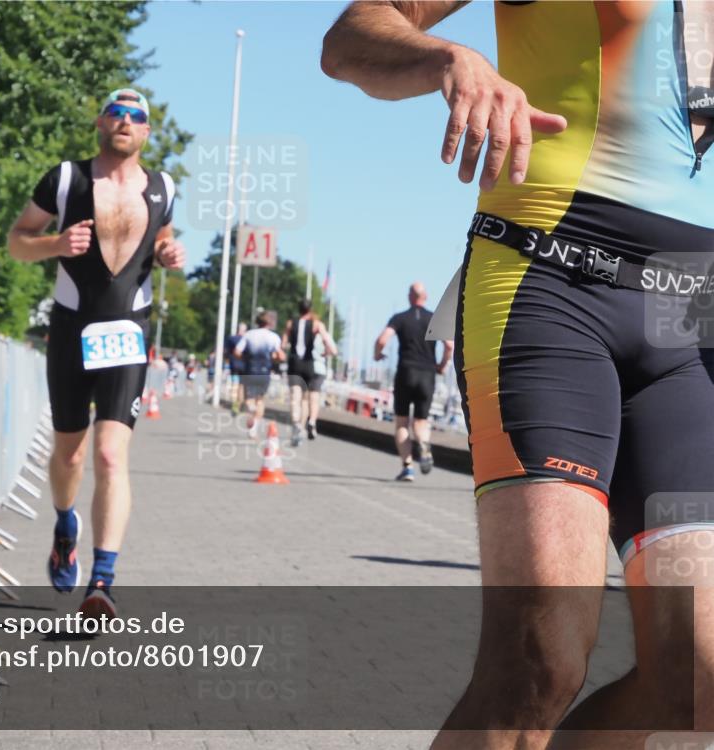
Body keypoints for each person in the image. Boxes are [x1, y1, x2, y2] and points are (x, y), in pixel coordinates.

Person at [323, 2, 713, 748]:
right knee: (539, 662)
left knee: (697, 680)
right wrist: (449, 59)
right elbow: (350, 38)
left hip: (690, 321)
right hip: (549, 285)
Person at [7, 87, 185, 620]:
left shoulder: (163, 188)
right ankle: (65, 525)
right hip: (71, 327)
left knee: (110, 454)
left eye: (136, 116)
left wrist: (168, 252)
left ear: (146, 131)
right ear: (100, 122)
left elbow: (162, 240)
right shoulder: (66, 179)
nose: (125, 121)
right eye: (116, 113)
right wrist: (54, 245)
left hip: (127, 331)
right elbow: (17, 241)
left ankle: (102, 581)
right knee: (70, 455)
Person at [373, 283, 453, 481]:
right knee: (421, 421)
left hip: (406, 372)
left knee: (402, 422)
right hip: (427, 374)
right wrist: (442, 365)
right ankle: (424, 446)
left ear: (410, 296)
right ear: (425, 297)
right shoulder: (434, 318)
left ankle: (407, 467)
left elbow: (382, 339)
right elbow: (449, 346)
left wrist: (377, 354)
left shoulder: (400, 318)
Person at [283, 298, 339, 446]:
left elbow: (283, 344)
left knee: (295, 397)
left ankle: (296, 423)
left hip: (294, 362)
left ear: (299, 309)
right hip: (309, 363)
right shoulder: (316, 324)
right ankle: (309, 423)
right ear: (310, 309)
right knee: (307, 399)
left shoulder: (291, 323)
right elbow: (329, 344)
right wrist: (327, 351)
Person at [233, 311, 285, 439]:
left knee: (249, 400)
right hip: (265, 372)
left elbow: (237, 352)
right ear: (269, 323)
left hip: (250, 370)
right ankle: (254, 429)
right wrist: (273, 359)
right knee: (260, 400)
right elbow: (281, 356)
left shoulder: (249, 334)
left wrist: (245, 358)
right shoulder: (273, 337)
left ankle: (251, 409)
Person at [225, 323, 249, 414]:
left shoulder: (231, 339)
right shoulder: (247, 339)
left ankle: (235, 404)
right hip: (245, 366)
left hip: (234, 365)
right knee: (242, 386)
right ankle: (241, 404)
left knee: (235, 385)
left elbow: (226, 352)